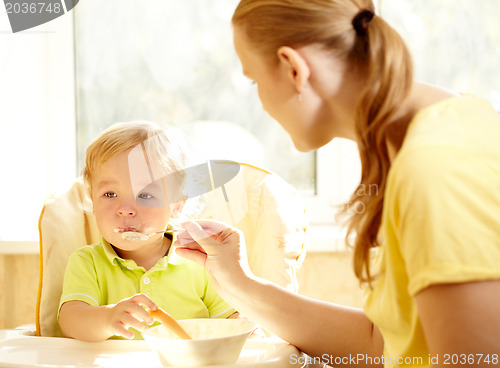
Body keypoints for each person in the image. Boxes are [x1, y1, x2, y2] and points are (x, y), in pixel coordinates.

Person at [174, 0, 500, 367]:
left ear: (293, 69)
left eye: (254, 80)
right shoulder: (430, 134)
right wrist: (239, 285)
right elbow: (383, 345)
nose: (261, 101)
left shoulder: (438, 167)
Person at [58, 121, 238, 342]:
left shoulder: (199, 262)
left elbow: (231, 321)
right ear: (92, 201)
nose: (125, 210)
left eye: (145, 195)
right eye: (110, 194)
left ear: (177, 205)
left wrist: (248, 329)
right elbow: (70, 321)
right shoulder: (88, 263)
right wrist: (107, 318)